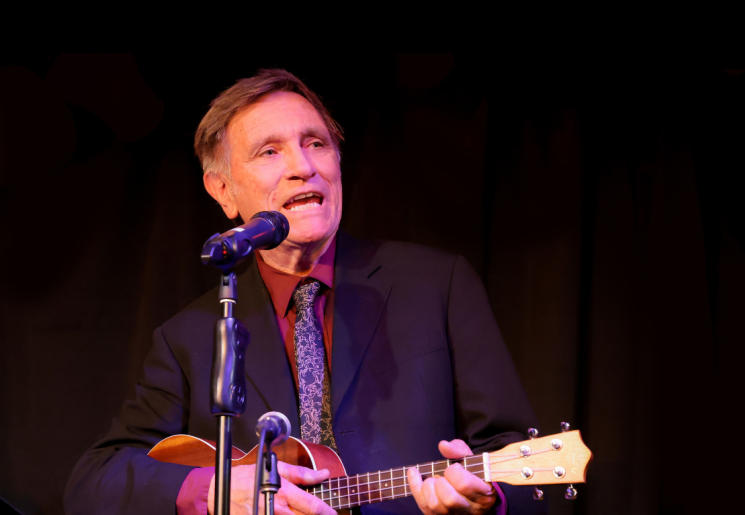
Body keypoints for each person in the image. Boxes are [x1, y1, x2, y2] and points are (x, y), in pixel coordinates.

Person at [65, 69, 542, 515]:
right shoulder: (188, 336)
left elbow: (517, 459)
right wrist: (212, 492)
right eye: (269, 152)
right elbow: (91, 483)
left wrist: (489, 501)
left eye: (315, 143)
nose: (302, 166)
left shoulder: (439, 284)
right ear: (223, 191)